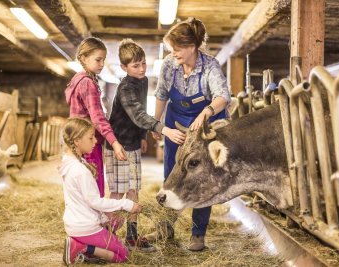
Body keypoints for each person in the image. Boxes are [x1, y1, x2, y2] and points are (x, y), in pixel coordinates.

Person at [152, 17, 231, 251]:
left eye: (177, 48)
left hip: (203, 125)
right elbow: (161, 94)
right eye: (171, 48)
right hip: (176, 123)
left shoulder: (210, 66)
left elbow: (222, 97)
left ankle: (198, 234)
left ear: (192, 47)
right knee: (172, 174)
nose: (173, 52)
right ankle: (165, 228)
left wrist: (206, 112)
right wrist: (156, 123)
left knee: (200, 177)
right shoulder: (169, 65)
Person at [105, 38, 185, 252]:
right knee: (116, 193)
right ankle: (107, 236)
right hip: (118, 146)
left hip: (132, 144)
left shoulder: (141, 81)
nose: (141, 69)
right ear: (124, 67)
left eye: (143, 63)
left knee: (133, 192)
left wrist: (142, 135)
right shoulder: (125, 89)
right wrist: (163, 129)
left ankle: (131, 237)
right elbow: (138, 114)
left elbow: (141, 111)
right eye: (135, 65)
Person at [59, 117, 141, 266]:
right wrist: (126, 204)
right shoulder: (80, 170)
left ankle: (83, 245)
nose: (95, 141)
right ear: (77, 141)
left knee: (115, 224)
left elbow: (86, 201)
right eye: (91, 138)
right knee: (123, 254)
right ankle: (81, 247)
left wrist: (104, 219)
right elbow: (95, 202)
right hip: (85, 227)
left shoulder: (69, 162)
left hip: (75, 223)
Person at [65, 37, 127, 198]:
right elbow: (97, 118)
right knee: (94, 186)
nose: (101, 64)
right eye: (98, 60)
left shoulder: (76, 80)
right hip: (89, 141)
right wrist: (114, 142)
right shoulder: (87, 83)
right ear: (84, 58)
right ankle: (94, 222)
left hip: (76, 141)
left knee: (80, 188)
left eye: (103, 60)